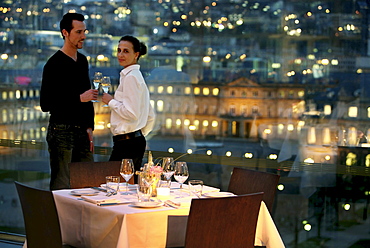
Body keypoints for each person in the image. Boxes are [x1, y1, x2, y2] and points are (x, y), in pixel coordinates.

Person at [40, 13, 98, 190]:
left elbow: (88, 97)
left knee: (87, 182)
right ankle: (59, 218)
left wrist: (90, 128)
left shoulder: (82, 60)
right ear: (65, 32)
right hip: (61, 131)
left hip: (82, 131)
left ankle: (80, 218)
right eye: (79, 32)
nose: (84, 36)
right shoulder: (53, 64)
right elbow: (46, 103)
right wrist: (79, 98)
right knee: (61, 185)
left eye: (84, 31)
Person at [102, 35, 155, 180]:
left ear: (136, 54)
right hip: (132, 141)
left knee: (113, 184)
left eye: (126, 51)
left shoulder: (131, 77)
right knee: (127, 185)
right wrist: (138, 133)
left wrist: (110, 101)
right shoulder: (136, 76)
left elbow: (131, 113)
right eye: (119, 50)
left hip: (126, 143)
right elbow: (150, 115)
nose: (120, 54)